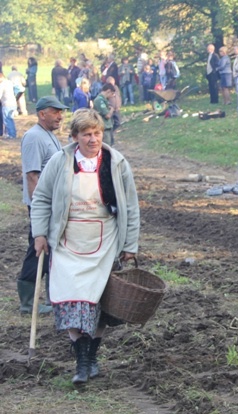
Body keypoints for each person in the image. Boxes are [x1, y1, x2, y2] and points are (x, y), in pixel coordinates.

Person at [30, 108, 140, 385]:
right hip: (68, 241)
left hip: (105, 241)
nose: (93, 139)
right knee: (72, 302)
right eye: (87, 134)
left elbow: (130, 206)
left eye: (97, 133)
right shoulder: (60, 161)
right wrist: (40, 233)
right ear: (75, 136)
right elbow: (42, 198)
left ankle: (90, 358)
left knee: (100, 305)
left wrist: (130, 244)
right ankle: (81, 362)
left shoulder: (116, 162)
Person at [17, 96, 68, 315]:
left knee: (49, 250)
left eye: (61, 112)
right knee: (38, 248)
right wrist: (41, 209)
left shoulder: (49, 136)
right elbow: (32, 177)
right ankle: (28, 302)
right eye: (55, 111)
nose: (60, 116)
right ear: (41, 114)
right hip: (41, 205)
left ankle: (50, 296)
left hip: (53, 204)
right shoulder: (33, 137)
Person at [0, 73, 18, 139]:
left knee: (7, 120)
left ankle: (11, 134)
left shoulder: (2, 85)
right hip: (13, 103)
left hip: (7, 104)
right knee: (10, 119)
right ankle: (12, 133)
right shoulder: (9, 82)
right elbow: (18, 88)